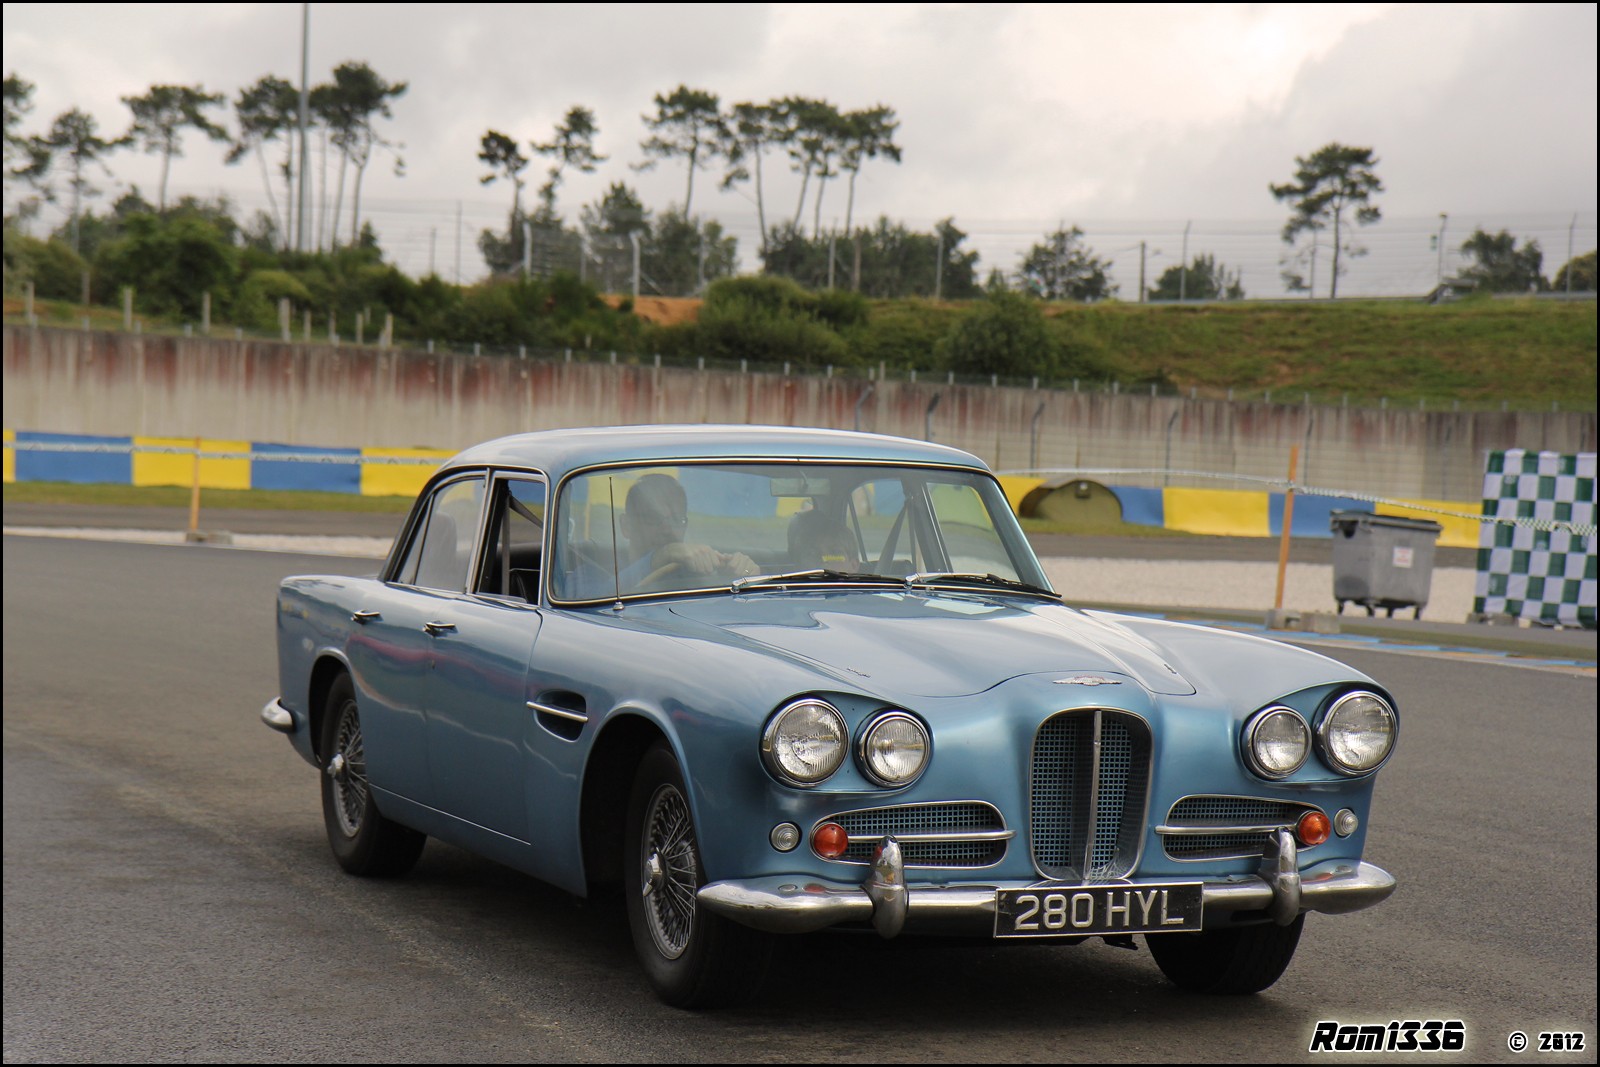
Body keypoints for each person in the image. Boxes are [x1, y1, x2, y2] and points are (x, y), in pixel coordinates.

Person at [563, 473, 757, 598]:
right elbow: (581, 602)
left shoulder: (700, 572)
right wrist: (658, 557)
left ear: (685, 525)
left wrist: (746, 575)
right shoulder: (594, 570)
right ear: (626, 526)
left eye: (676, 520)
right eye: (653, 519)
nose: (667, 529)